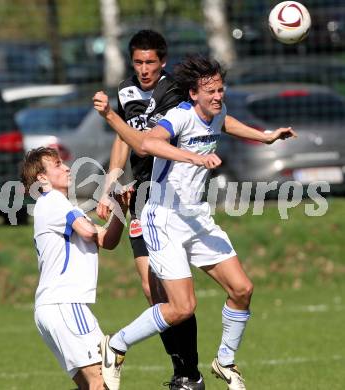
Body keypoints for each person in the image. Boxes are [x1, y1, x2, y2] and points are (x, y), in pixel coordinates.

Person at [93, 55, 297, 390]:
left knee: (242, 289)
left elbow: (228, 123)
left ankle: (225, 361)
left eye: (221, 90)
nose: (218, 96)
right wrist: (193, 157)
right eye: (211, 92)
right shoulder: (179, 117)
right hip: (164, 218)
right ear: (193, 94)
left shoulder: (218, 112)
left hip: (196, 215)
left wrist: (266, 137)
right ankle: (116, 344)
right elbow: (147, 144)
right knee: (182, 307)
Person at [96, 30, 203, 389]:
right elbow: (125, 136)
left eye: (150, 62)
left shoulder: (173, 92)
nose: (144, 69)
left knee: (175, 296)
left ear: (163, 62)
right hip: (140, 196)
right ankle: (181, 372)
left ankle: (190, 371)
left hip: (170, 195)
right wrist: (111, 179)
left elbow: (144, 145)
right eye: (138, 62)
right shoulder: (126, 91)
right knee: (150, 288)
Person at [21, 147, 130, 390]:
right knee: (101, 382)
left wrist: (122, 210)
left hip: (54, 306)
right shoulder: (52, 201)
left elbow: (106, 241)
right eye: (58, 164)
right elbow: (89, 232)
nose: (67, 167)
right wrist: (108, 203)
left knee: (91, 384)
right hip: (65, 303)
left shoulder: (63, 208)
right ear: (42, 178)